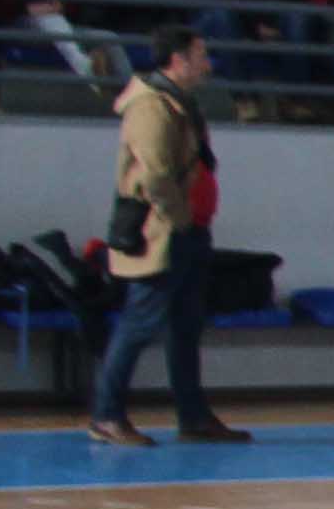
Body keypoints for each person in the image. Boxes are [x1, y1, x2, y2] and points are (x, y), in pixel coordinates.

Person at [88, 29, 243, 451]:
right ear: (177, 59)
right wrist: (179, 218)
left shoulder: (178, 101)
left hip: (188, 230)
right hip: (164, 232)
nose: (207, 64)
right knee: (139, 324)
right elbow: (155, 174)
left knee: (185, 327)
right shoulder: (151, 106)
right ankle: (106, 415)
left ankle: (193, 417)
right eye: (201, 55)